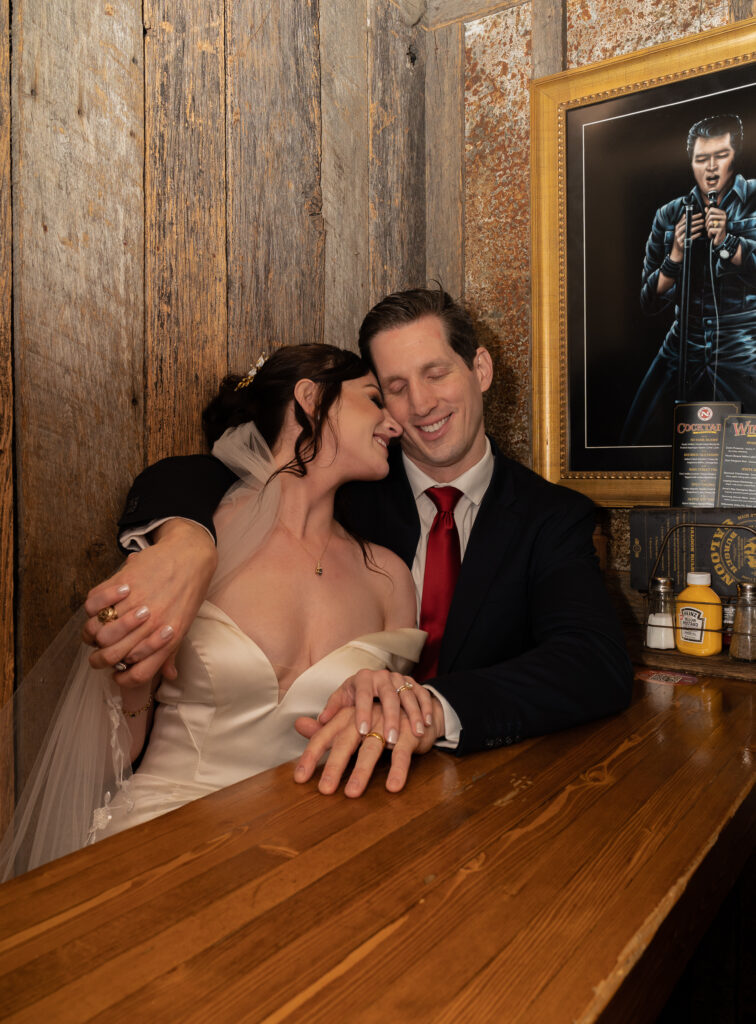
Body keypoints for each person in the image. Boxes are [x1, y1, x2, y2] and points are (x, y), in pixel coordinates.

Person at [85, 287, 633, 797]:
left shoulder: (551, 518)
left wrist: (436, 709)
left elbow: (593, 660)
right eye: (393, 388)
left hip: (469, 793)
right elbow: (209, 474)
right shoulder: (351, 486)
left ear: (480, 369)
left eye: (436, 373)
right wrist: (185, 538)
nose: (419, 405)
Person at [0, 344, 430, 880]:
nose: (394, 422)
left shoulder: (388, 576)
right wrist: (132, 686)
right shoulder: (189, 547)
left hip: (320, 842)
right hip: (172, 830)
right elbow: (123, 746)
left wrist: (401, 706)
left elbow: (387, 731)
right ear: (312, 397)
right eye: (373, 399)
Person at [622, 114, 756, 445]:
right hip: (681, 345)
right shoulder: (670, 215)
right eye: (701, 159)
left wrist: (729, 242)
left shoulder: (754, 199)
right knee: (633, 440)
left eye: (720, 156)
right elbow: (647, 300)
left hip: (741, 345)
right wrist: (675, 256)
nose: (711, 168)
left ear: (735, 155)